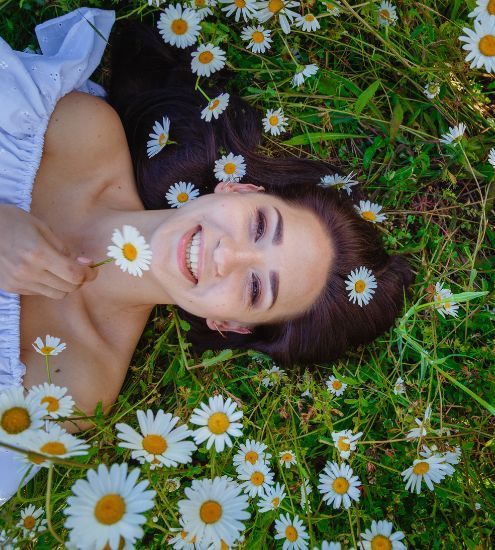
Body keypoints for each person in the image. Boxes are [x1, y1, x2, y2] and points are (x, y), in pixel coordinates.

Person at [0, 8, 414, 505]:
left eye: (256, 288)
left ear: (229, 324)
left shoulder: (75, 380)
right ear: (238, 188)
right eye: (260, 226)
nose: (228, 255)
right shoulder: (73, 134)